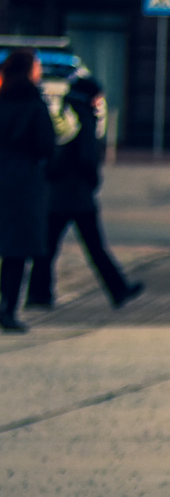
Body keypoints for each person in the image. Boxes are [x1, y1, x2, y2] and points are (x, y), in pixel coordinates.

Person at [28, 74, 140, 312]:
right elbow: (88, 157)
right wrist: (92, 181)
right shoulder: (84, 118)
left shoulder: (64, 114)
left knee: (47, 247)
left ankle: (38, 294)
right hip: (77, 196)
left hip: (56, 195)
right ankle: (118, 289)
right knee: (95, 247)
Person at [0, 49, 53, 334]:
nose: (40, 71)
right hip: (23, 182)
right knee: (16, 250)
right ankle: (7, 308)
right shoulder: (34, 103)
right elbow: (45, 144)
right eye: (37, 66)